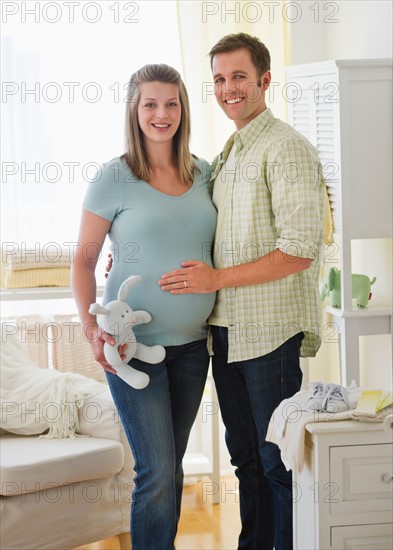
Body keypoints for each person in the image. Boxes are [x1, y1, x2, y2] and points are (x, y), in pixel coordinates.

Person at [159, 33, 325, 550]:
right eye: (219, 80)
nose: (228, 88)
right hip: (225, 333)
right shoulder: (229, 154)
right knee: (247, 460)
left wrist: (215, 280)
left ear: (264, 81)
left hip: (269, 336)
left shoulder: (287, 149)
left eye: (238, 77)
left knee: (278, 464)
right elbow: (201, 232)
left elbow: (300, 249)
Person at [71, 63, 217, 550]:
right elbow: (84, 261)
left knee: (169, 467)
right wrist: (91, 330)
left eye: (171, 103)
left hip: (194, 346)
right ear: (135, 111)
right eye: (150, 103)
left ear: (183, 109)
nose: (162, 113)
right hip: (130, 348)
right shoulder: (114, 177)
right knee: (155, 471)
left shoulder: (205, 174)